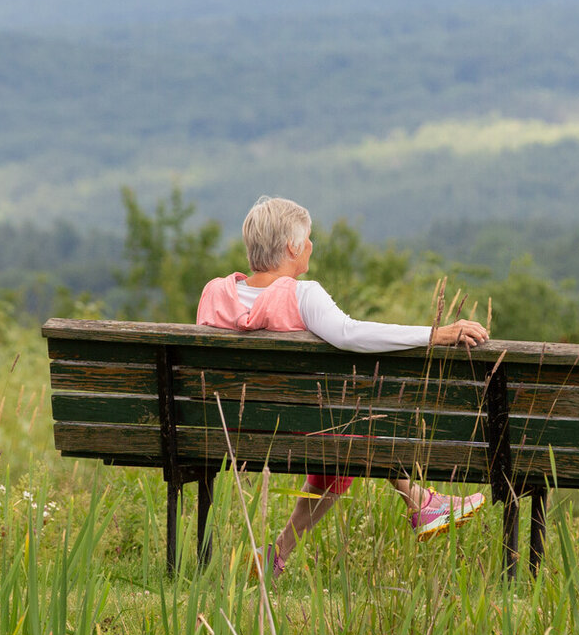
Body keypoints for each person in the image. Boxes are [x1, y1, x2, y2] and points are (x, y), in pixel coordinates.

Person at [196, 195, 491, 575]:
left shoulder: (214, 293)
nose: (312, 246)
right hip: (302, 434)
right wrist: (435, 333)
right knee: (357, 427)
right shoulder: (302, 295)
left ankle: (279, 553)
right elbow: (350, 334)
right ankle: (419, 501)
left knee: (346, 441)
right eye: (309, 238)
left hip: (223, 432)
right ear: (293, 247)